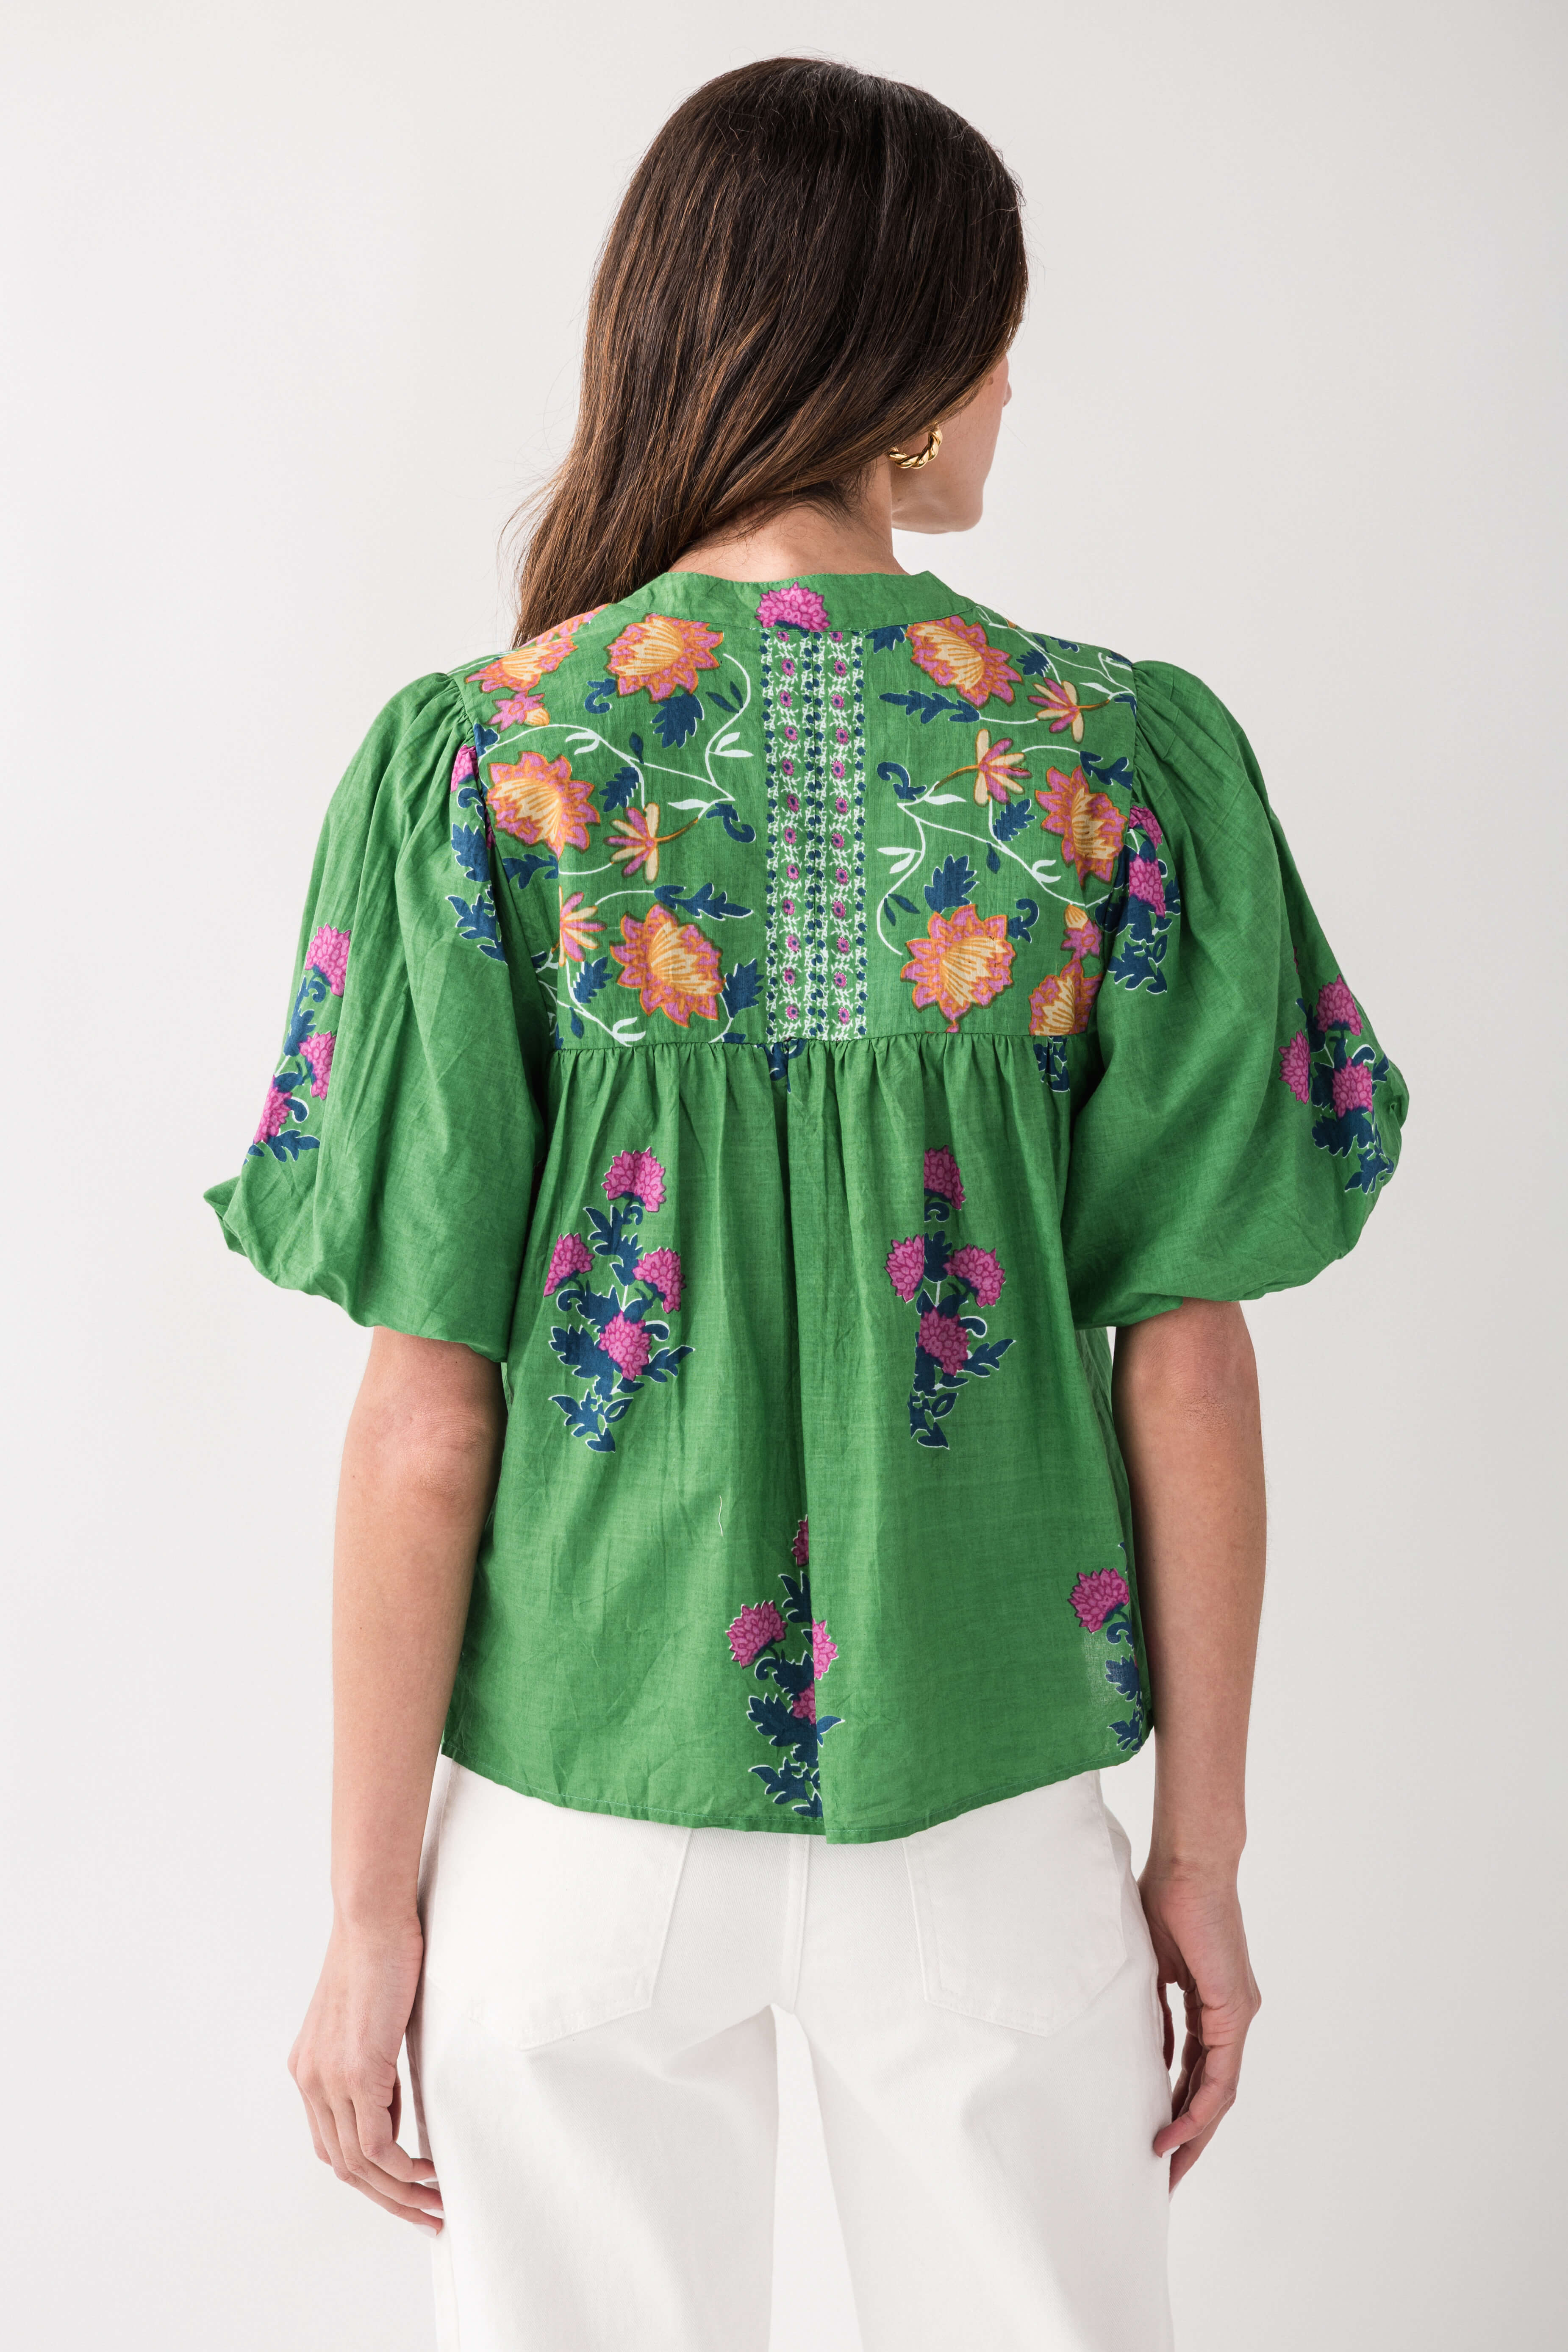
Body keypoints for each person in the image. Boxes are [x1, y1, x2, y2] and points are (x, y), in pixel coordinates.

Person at [206, 55, 1407, 2352]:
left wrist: (368, 1915)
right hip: (993, 1815)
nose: (1012, 388)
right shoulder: (1109, 760)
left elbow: (423, 1415)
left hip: (575, 1827)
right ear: (908, 363)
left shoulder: (484, 766)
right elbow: (1188, 1362)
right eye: (999, 336)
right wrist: (1201, 1857)